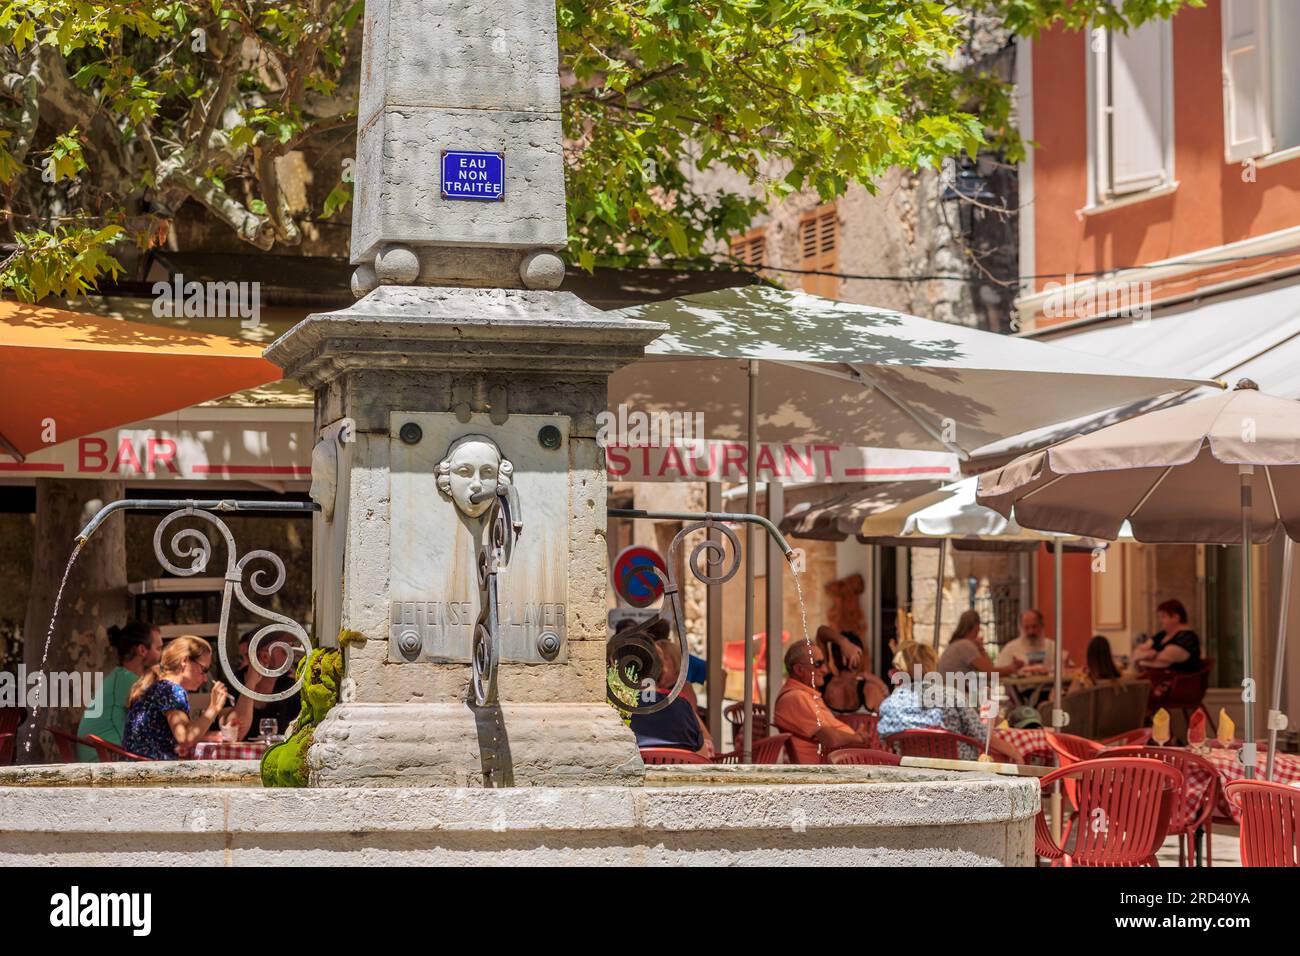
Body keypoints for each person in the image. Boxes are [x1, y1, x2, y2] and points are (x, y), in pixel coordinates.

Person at [878, 641, 1006, 761]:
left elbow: (883, 738)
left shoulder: (889, 705)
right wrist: (1016, 754)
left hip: (912, 773)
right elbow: (982, 735)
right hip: (959, 773)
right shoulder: (951, 697)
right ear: (931, 664)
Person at [122, 636, 229, 760]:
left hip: (137, 768)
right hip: (154, 773)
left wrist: (209, 736)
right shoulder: (172, 690)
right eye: (203, 670)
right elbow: (185, 738)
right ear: (185, 661)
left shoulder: (156, 686)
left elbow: (162, 736)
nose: (205, 679)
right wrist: (213, 708)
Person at [772, 641, 875, 763]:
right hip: (826, 770)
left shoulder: (804, 694)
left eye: (824, 663)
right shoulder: (796, 697)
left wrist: (854, 737)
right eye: (818, 664)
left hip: (836, 764)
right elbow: (831, 739)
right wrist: (858, 738)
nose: (825, 670)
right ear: (799, 669)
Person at [76, 620, 162, 761]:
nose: (161, 655)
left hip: (107, 757)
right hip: (104, 760)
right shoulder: (131, 682)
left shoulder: (121, 677)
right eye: (158, 649)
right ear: (142, 650)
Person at [629, 638, 712, 756]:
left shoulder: (618, 708)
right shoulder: (680, 703)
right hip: (681, 772)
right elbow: (703, 756)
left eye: (666, 658)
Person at [816, 624, 890, 714]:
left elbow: (821, 633)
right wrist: (880, 684)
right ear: (859, 657)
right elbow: (891, 721)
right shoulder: (871, 690)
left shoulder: (822, 682)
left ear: (834, 658)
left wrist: (843, 643)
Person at [936, 609, 1022, 679]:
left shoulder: (955, 644)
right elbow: (991, 673)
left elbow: (988, 669)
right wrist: (1011, 668)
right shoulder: (965, 645)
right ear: (976, 627)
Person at [1132, 599, 1202, 673]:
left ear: (1176, 617)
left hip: (1180, 682)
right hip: (1157, 681)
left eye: (1163, 617)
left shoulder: (1187, 638)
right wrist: (1150, 654)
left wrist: (1142, 658)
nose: (1160, 620)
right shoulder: (1162, 634)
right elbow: (1136, 652)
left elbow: (1161, 660)